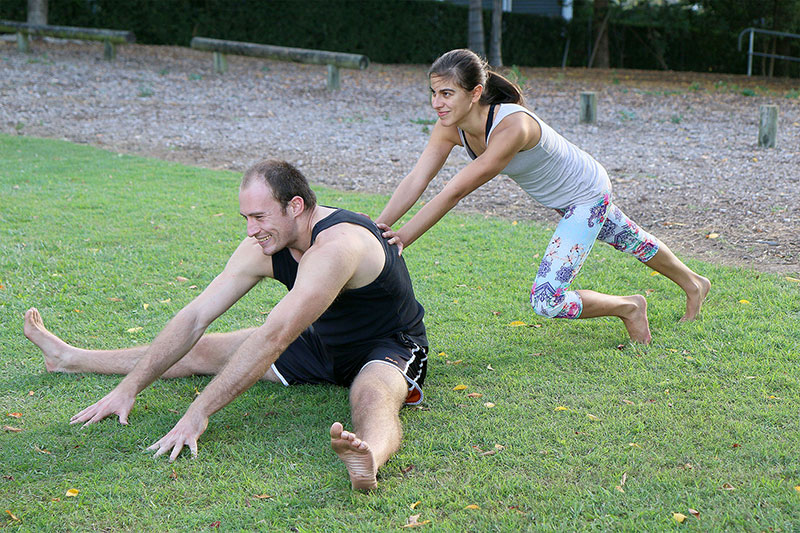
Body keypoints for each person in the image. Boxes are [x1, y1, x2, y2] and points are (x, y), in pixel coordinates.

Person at [23, 159, 428, 491]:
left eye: (259, 216)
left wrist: (199, 412)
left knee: (372, 394)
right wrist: (129, 388)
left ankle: (368, 458)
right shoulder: (266, 244)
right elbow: (196, 316)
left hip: (387, 346)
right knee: (201, 348)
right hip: (319, 345)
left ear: (296, 206)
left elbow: (274, 337)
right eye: (245, 217)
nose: (251, 230)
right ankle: (69, 358)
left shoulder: (339, 245)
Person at [376, 49, 710, 344]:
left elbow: (456, 190)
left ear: (476, 92)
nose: (437, 103)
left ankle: (630, 306)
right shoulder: (451, 126)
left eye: (447, 93)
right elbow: (418, 177)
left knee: (548, 299)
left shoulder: (512, 126)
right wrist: (381, 225)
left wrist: (405, 236)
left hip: (586, 192)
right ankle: (695, 284)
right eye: (433, 93)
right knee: (631, 240)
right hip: (566, 199)